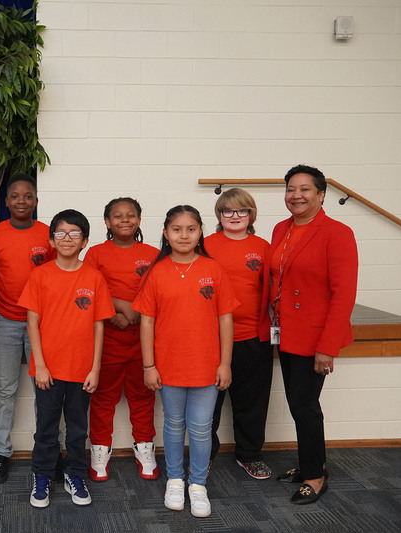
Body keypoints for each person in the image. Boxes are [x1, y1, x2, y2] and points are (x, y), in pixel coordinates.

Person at [259, 164, 358, 505]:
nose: (296, 195)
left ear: (321, 194)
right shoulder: (280, 228)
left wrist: (327, 346)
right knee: (298, 403)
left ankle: (315, 476)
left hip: (315, 337)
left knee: (305, 406)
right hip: (286, 333)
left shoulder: (337, 232)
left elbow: (344, 294)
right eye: (290, 189)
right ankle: (308, 464)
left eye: (304, 189)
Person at [133, 205, 238, 519]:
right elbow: (147, 322)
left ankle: (197, 484)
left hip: (207, 365)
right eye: (176, 229)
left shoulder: (213, 269)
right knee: (174, 426)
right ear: (166, 233)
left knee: (202, 429)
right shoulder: (157, 271)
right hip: (168, 367)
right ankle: (176, 479)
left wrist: (225, 363)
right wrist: (149, 365)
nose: (183, 234)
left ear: (201, 231)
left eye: (190, 228)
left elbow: (225, 319)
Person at [18, 209, 115, 508]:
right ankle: (43, 475)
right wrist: (42, 366)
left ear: (85, 241)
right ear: (51, 240)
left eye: (74, 234)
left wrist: (95, 368)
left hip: (82, 369)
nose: (67, 239)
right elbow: (32, 323)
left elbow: (99, 325)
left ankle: (75, 474)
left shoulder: (94, 277)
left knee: (77, 428)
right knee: (46, 426)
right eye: (60, 233)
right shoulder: (40, 275)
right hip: (47, 369)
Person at [0, 174, 53, 484]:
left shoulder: (48, 234)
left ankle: (46, 451)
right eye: (15, 196)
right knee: (5, 389)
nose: (22, 201)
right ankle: (0, 451)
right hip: (4, 321)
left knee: (45, 390)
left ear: (36, 201)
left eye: (28, 196)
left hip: (42, 323)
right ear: (6, 202)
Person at [84, 197, 159, 481]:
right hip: (108, 339)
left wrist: (135, 314)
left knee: (143, 397)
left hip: (143, 340)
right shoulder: (95, 254)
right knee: (103, 398)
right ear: (107, 222)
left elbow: (157, 292)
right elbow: (92, 291)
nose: (124, 220)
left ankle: (145, 446)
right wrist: (117, 312)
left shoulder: (153, 253)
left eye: (131, 215)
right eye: (118, 216)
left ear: (139, 220)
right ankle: (100, 448)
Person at [205, 188, 273, 479]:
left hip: (252, 339)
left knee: (252, 403)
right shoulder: (204, 245)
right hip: (210, 339)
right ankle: (203, 456)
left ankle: (249, 455)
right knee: (207, 405)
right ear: (219, 215)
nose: (235, 216)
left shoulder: (264, 247)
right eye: (228, 211)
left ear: (251, 215)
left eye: (241, 211)